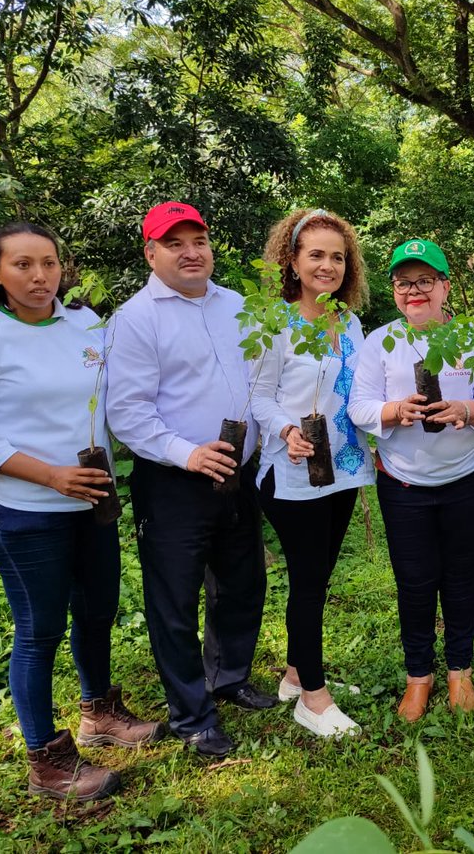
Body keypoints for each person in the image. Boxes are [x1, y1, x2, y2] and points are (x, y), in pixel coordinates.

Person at [0, 223, 162, 801]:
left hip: (93, 502)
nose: (39, 277)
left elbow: (120, 398)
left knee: (97, 612)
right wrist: (52, 476)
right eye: (22, 265)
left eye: (49, 263)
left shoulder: (84, 325)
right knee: (39, 632)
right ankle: (46, 760)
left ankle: (99, 713)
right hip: (25, 509)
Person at [106, 202, 277, 760]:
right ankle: (191, 714)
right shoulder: (136, 319)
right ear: (150, 252)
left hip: (240, 471)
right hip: (175, 479)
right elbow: (127, 412)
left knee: (242, 581)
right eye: (174, 242)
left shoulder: (239, 306)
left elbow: (264, 379)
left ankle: (228, 678)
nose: (190, 252)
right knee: (174, 599)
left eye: (197, 239)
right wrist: (188, 454)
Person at [348, 239, 474, 721]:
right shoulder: (381, 342)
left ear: (444, 286)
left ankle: (460, 670)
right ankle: (419, 676)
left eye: (423, 281)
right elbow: (358, 405)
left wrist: (466, 408)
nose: (413, 291)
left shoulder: (473, 337)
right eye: (403, 283)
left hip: (468, 478)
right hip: (405, 483)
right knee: (414, 582)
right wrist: (394, 412)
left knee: (460, 576)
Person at [250, 209, 374, 738]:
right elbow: (258, 396)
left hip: (341, 469)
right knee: (306, 581)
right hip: (293, 472)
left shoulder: (349, 323)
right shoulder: (273, 323)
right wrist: (283, 431)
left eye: (338, 257)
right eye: (316, 255)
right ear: (292, 261)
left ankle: (298, 673)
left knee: (318, 578)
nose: (328, 265)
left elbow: (360, 392)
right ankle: (314, 701)